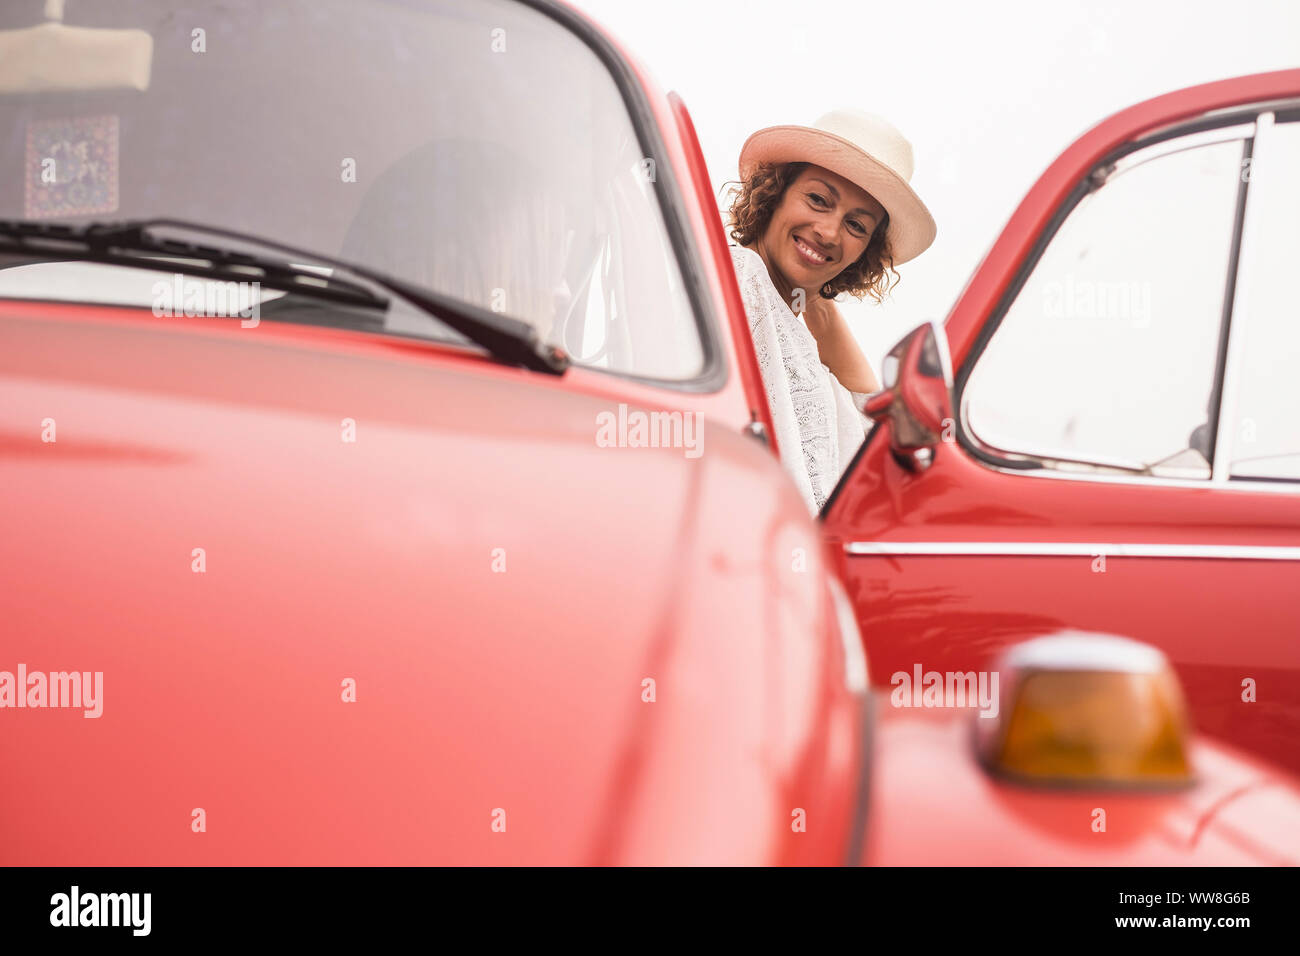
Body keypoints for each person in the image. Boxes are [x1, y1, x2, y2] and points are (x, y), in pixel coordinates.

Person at [725, 108, 937, 515]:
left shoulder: (796, 332)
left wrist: (815, 301)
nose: (828, 232)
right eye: (818, 199)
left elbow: (875, 437)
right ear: (775, 192)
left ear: (867, 252)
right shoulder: (741, 277)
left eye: (856, 226)